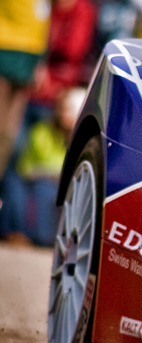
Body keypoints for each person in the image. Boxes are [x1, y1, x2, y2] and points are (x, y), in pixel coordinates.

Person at [0, 0, 56, 180]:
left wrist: (41, 60)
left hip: (27, 56)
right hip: (2, 48)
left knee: (8, 139)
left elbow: (43, 8)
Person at [0, 86, 84, 246]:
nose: (65, 114)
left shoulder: (82, 142)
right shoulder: (41, 131)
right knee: (12, 185)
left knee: (44, 190)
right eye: (63, 109)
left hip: (53, 184)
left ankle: (43, 238)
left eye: (70, 110)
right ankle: (14, 233)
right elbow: (25, 165)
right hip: (31, 177)